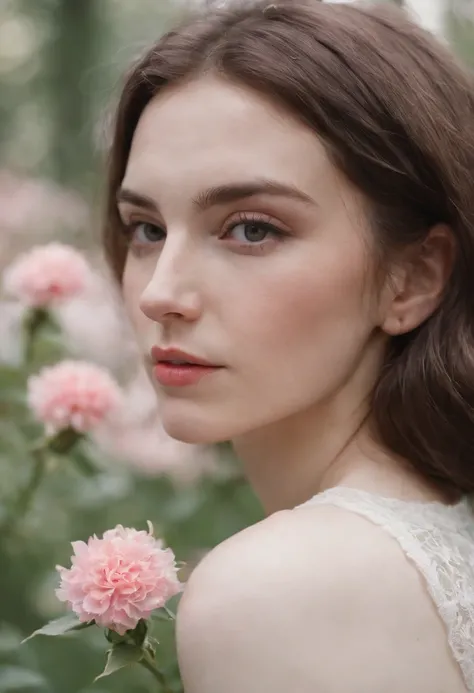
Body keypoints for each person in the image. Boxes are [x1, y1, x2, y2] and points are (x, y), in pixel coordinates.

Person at [103, 0, 474, 690]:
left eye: (251, 229)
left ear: (413, 277)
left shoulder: (281, 590)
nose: (160, 292)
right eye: (146, 227)